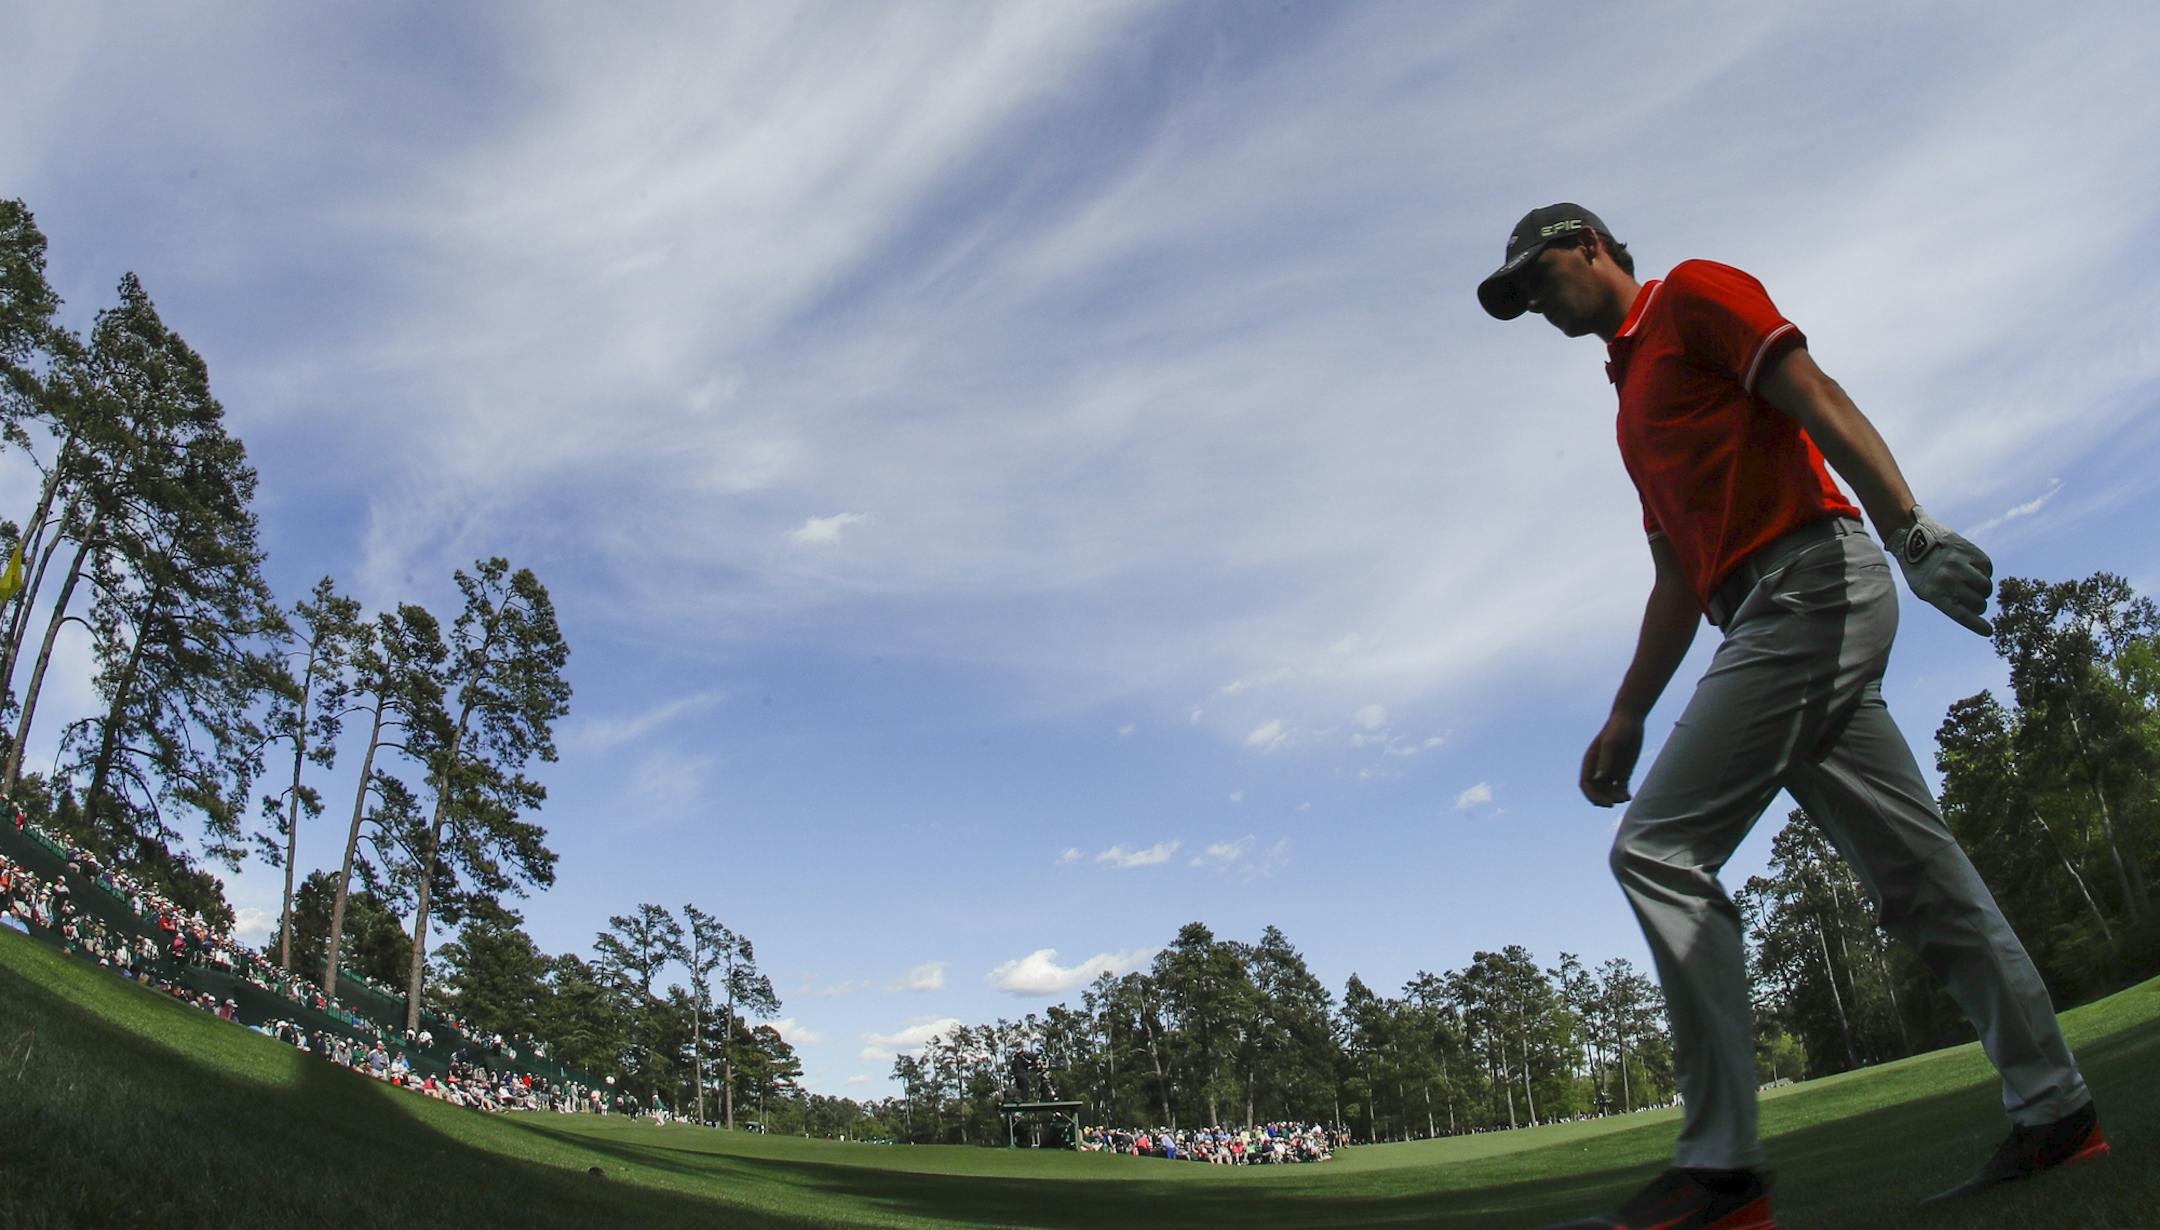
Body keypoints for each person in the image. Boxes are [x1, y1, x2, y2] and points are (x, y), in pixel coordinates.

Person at [1476, 204, 2107, 1229]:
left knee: (1659, 848)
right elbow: (1679, 574)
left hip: (1815, 582)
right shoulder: (1631, 398)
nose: (1538, 303)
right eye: (1523, 297)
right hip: (1762, 615)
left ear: (1591, 245)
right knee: (1921, 883)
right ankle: (2058, 1109)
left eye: (1540, 277)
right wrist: (1628, 712)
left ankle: (1722, 1173)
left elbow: (1812, 393)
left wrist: (1909, 526)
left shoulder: (1693, 295)